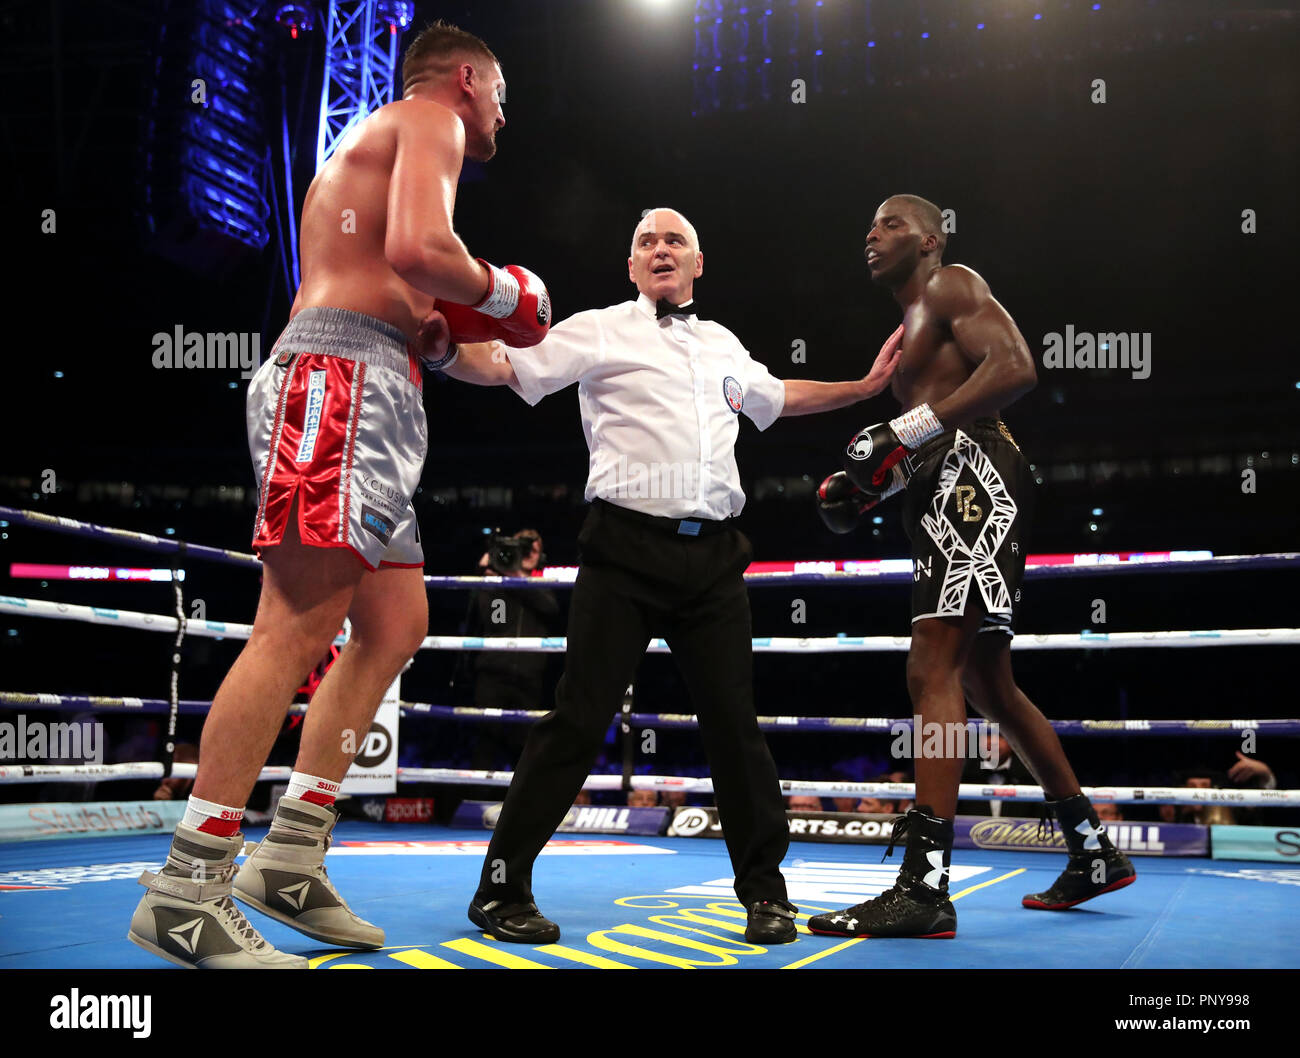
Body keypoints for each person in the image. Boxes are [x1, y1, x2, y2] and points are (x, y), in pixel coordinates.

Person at [127, 20, 550, 969]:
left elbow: (439, 328)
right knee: (294, 624)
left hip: (374, 391)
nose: (503, 120)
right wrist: (509, 289)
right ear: (470, 77)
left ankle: (290, 856)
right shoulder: (428, 119)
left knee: (396, 623)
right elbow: (426, 247)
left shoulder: (383, 153)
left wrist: (535, 354)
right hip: (339, 387)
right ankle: (189, 887)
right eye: (503, 97)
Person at [428, 207, 902, 945]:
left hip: (713, 559)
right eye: (645, 241)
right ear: (630, 266)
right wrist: (439, 348)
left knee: (734, 728)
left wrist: (867, 387)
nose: (659, 249)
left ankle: (765, 893)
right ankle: (501, 887)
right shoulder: (598, 328)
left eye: (673, 240)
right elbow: (503, 365)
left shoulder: (722, 345)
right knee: (579, 719)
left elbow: (779, 395)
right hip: (622, 550)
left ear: (698, 262)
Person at [808, 195, 1135, 938]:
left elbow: (1017, 367)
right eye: (869, 222)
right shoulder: (907, 332)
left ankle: (923, 887)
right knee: (988, 681)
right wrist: (870, 487)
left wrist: (907, 427)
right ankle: (1092, 850)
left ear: (930, 238)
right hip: (945, 479)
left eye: (890, 223)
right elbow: (920, 430)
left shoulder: (951, 285)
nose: (871, 232)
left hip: (973, 471)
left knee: (932, 668)